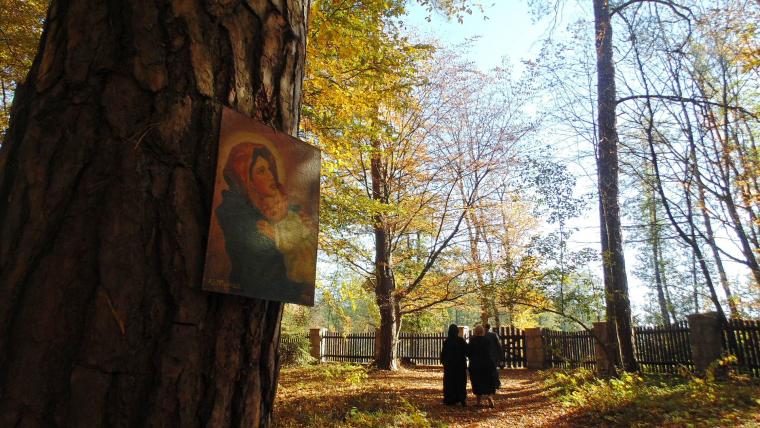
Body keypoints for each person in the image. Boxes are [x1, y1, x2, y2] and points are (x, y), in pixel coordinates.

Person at [215, 143, 316, 303]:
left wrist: (305, 225)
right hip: (250, 290)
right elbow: (262, 255)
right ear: (247, 179)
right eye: (261, 171)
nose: (271, 175)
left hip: (284, 289)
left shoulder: (282, 208)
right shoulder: (236, 213)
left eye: (270, 169)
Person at [467, 325, 498, 407]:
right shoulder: (487, 340)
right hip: (487, 364)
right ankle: (490, 396)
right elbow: (491, 352)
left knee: (477, 382)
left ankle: (478, 402)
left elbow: (468, 353)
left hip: (475, 364)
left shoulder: (472, 341)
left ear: (475, 332)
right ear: (483, 331)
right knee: (489, 381)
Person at [440, 324, 468, 406]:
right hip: (460, 365)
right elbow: (467, 351)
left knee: (449, 382)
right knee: (461, 382)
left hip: (449, 365)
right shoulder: (461, 341)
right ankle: (461, 398)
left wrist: (443, 361)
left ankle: (449, 399)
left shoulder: (447, 341)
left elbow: (443, 353)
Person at [484, 323, 504, 387]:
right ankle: (497, 383)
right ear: (489, 328)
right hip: (493, 355)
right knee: (494, 370)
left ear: (484, 327)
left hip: (485, 356)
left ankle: (488, 383)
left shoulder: (482, 335)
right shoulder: (494, 335)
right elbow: (498, 346)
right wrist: (501, 356)